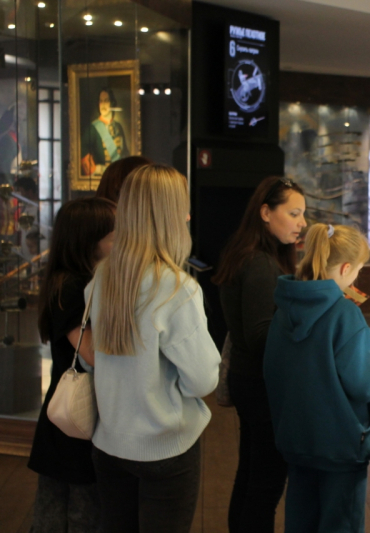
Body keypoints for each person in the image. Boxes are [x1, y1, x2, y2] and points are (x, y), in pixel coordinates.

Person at [86, 164, 220, 533]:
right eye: (183, 207)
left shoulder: (101, 278)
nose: (188, 216)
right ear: (168, 216)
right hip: (165, 448)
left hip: (109, 444)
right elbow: (203, 380)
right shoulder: (177, 288)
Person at [263, 223, 370, 533]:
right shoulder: (345, 314)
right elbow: (364, 384)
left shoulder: (284, 309)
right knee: (340, 523)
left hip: (297, 440)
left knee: (300, 520)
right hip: (340, 447)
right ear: (346, 268)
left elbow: (273, 369)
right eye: (358, 270)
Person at [212, 176, 307, 533]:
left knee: (251, 475)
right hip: (261, 385)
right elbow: (259, 336)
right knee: (265, 486)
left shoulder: (249, 255)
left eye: (303, 214)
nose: (302, 223)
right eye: (294, 214)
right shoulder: (260, 264)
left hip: (249, 381)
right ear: (266, 213)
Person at [28, 197, 116, 532]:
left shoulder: (71, 281)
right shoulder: (73, 287)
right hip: (75, 417)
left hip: (69, 416)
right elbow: (92, 354)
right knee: (78, 510)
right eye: (115, 236)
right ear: (89, 242)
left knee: (61, 505)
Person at [81, 87, 129, 177]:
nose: (103, 104)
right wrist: (95, 169)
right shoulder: (92, 129)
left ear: (112, 103)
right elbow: (83, 151)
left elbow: (125, 152)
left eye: (106, 101)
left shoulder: (118, 127)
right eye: (101, 101)